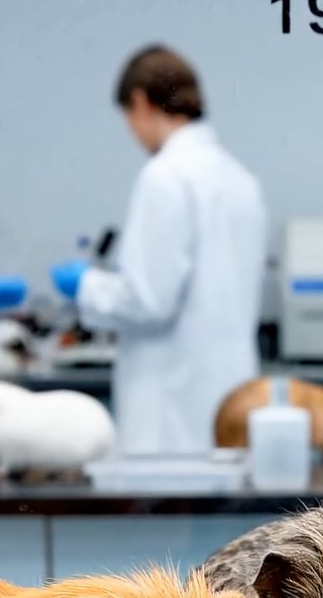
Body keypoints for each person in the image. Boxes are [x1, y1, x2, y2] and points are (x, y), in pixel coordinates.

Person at [51, 46, 267, 455]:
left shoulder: (165, 176)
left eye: (128, 119)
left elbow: (148, 301)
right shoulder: (240, 180)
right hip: (233, 401)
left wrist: (85, 285)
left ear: (141, 102)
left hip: (172, 410)